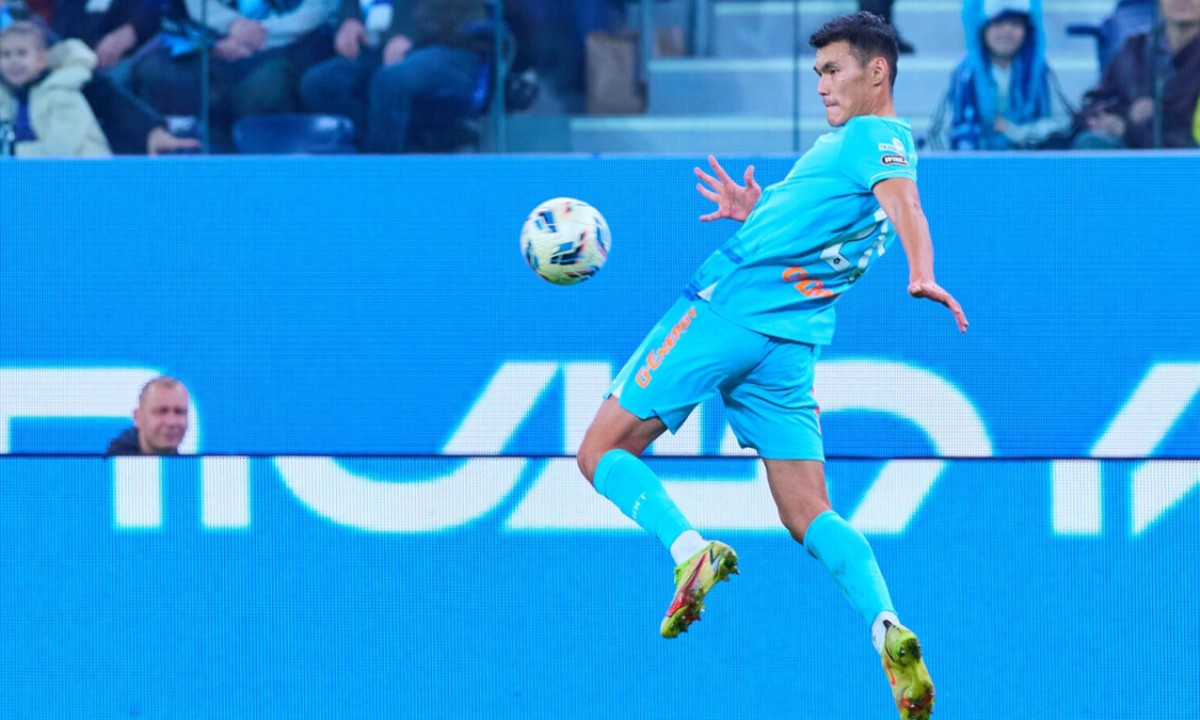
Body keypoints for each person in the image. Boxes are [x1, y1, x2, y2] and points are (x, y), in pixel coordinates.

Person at [575, 12, 966, 720]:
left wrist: (922, 272)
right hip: (789, 346)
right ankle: (886, 625)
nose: (821, 84)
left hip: (726, 312)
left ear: (878, 72)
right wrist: (759, 212)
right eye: (817, 72)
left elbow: (906, 204)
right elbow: (836, 218)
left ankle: (689, 550)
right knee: (808, 512)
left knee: (600, 451)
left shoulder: (874, 139)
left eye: (834, 70)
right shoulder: (865, 149)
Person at [130, 0, 336, 151]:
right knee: (156, 70)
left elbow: (318, 9)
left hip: (289, 42)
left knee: (262, 88)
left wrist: (260, 33)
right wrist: (227, 30)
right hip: (217, 37)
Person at [299, 0, 488, 153]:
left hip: (450, 46)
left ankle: (382, 171)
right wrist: (350, 18)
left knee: (390, 81)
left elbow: (451, 9)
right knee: (319, 84)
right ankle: (405, 146)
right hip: (382, 49)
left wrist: (410, 33)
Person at [930, 0, 1073, 150]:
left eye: (1015, 24)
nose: (1007, 31)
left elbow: (1061, 125)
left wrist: (1017, 132)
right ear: (983, 29)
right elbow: (939, 131)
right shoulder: (964, 75)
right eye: (998, 23)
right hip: (974, 161)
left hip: (1027, 160)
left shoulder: (1039, 72)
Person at [1073, 0, 1200, 149]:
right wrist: (1123, 116)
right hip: (1130, 151)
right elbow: (1098, 102)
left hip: (1184, 155)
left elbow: (1182, 130)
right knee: (1090, 143)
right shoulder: (1135, 48)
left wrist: (1127, 129)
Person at [0, 20, 111, 155]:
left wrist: (9, 152)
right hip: (28, 167)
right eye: (6, 54)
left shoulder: (63, 95)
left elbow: (59, 152)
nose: (13, 61)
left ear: (41, 60)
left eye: (22, 53)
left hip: (86, 167)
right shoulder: (7, 98)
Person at [106, 376, 190, 455]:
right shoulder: (111, 464)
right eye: (161, 412)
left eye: (179, 412)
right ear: (137, 417)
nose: (171, 422)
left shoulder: (188, 465)